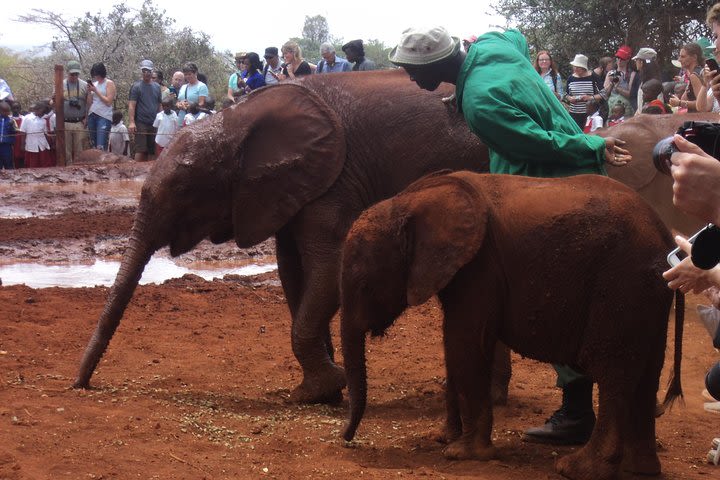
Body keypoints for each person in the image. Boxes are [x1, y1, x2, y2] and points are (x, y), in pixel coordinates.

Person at [388, 26, 631, 446]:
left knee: (552, 300)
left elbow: (540, 144)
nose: (411, 79)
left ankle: (577, 412)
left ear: (438, 65)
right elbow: (516, 37)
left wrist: (591, 145)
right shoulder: (491, 47)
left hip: (544, 197)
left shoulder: (481, 103)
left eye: (414, 70)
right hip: (577, 185)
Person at [54, 60, 89, 165]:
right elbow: (54, 101)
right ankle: (67, 170)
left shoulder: (84, 85)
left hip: (79, 122)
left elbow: (89, 103)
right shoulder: (60, 84)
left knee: (80, 149)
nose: (74, 76)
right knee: (66, 150)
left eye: (76, 74)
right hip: (65, 122)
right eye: (72, 74)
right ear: (67, 73)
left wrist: (86, 118)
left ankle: (79, 169)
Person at [128, 60, 162, 162]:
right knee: (141, 149)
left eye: (148, 71)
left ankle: (150, 172)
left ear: (152, 72)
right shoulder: (136, 86)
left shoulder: (157, 87)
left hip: (154, 122)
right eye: (144, 71)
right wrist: (131, 122)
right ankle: (135, 172)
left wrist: (162, 120)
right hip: (141, 122)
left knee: (152, 149)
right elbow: (131, 105)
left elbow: (159, 104)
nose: (146, 73)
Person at [565, 54, 604, 129]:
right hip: (574, 114)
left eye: (578, 67)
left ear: (584, 68)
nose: (575, 69)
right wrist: (570, 98)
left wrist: (590, 97)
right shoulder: (571, 78)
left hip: (589, 114)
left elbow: (603, 94)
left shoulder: (593, 77)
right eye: (574, 66)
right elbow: (566, 94)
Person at [86, 62, 116, 151]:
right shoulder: (94, 84)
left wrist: (96, 91)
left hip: (103, 116)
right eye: (94, 75)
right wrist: (89, 92)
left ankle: (103, 163)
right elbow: (89, 102)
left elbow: (108, 102)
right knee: (93, 144)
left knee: (101, 144)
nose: (96, 77)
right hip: (92, 114)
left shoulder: (109, 83)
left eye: (97, 74)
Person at [669, 43, 704, 112]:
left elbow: (702, 104)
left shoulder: (695, 75)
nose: (679, 60)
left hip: (698, 119)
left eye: (683, 57)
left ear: (694, 57)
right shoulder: (694, 74)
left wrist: (679, 103)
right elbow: (684, 98)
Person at [20, 102, 53, 168]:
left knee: (44, 162)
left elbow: (45, 133)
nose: (43, 114)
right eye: (42, 112)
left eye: (44, 113)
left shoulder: (43, 120)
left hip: (42, 144)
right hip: (31, 144)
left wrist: (50, 142)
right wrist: (22, 144)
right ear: (37, 110)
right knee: (33, 164)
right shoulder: (27, 118)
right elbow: (23, 132)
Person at [607, 45, 637, 117]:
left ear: (627, 60)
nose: (619, 61)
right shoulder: (610, 73)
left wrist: (617, 88)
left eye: (622, 59)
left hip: (625, 110)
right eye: (618, 58)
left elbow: (631, 95)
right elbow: (605, 94)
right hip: (611, 109)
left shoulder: (631, 74)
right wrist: (611, 84)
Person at [176, 62, 208, 127]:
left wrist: (190, 105)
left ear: (195, 73)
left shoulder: (201, 86)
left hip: (194, 120)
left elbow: (202, 103)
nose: (187, 76)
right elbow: (178, 101)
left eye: (189, 74)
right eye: (186, 74)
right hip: (181, 119)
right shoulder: (183, 87)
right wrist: (179, 105)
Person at [0, 101, 16, 170]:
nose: (6, 113)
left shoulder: (11, 120)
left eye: (8, 111)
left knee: (8, 162)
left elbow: (14, 132)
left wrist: (11, 126)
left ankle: (10, 179)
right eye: (4, 111)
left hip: (7, 145)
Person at [10, 102, 24, 168]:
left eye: (17, 108)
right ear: (11, 109)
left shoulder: (24, 118)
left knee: (22, 156)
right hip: (12, 140)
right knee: (13, 157)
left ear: (20, 109)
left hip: (21, 140)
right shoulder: (9, 118)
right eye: (14, 108)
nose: (16, 110)